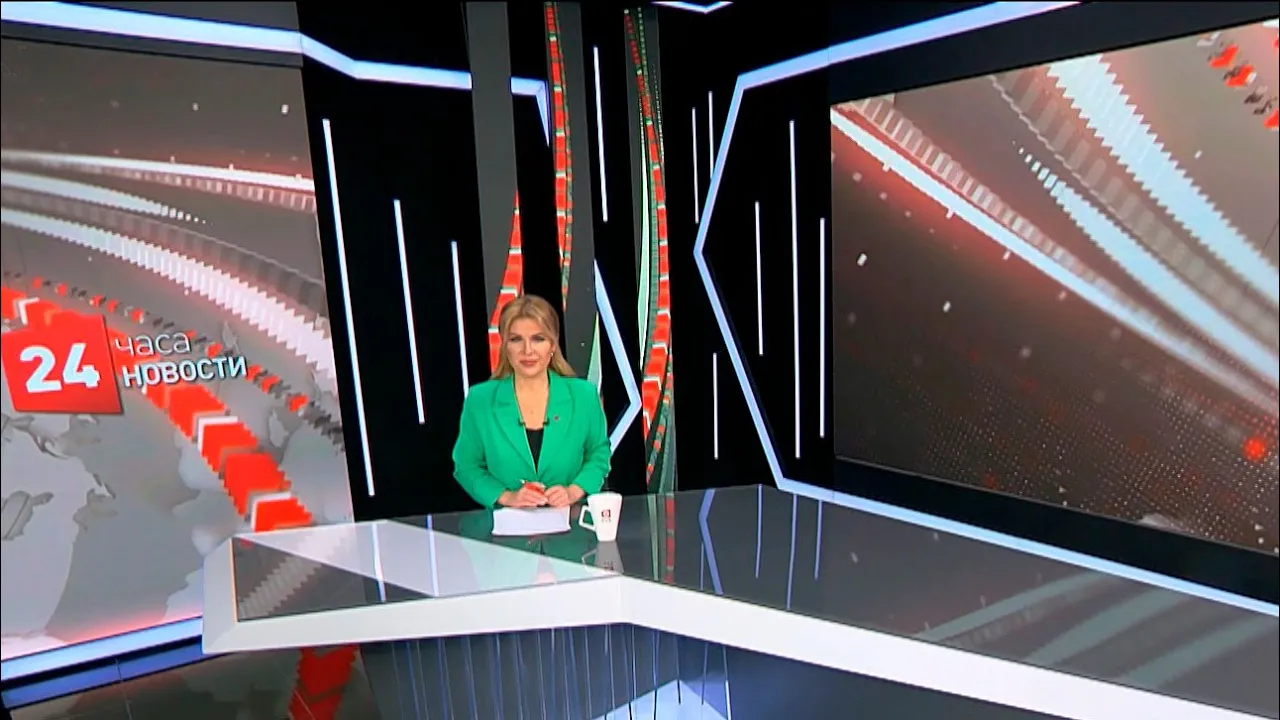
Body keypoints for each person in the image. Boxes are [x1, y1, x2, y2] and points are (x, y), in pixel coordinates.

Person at [453, 294, 610, 508]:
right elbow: (467, 466)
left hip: (570, 522)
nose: (527, 350)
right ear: (504, 345)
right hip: (505, 524)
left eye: (538, 339)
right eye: (516, 339)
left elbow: (598, 455)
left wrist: (572, 492)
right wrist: (507, 497)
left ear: (552, 345)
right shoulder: (480, 400)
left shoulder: (583, 396)